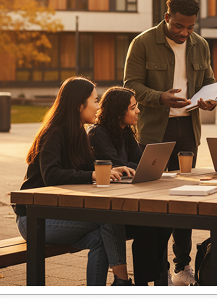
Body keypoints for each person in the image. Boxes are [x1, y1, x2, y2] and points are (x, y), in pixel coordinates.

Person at [124, 0, 216, 286]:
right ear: (167, 18)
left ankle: (182, 266)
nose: (184, 32)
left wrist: (210, 99)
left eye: (189, 27)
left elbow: (209, 82)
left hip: (188, 130)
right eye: (179, 26)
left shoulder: (200, 45)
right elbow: (131, 86)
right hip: (154, 131)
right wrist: (160, 98)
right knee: (155, 200)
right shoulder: (142, 43)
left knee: (186, 198)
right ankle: (157, 266)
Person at [13, 76, 133, 286]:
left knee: (101, 238)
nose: (98, 107)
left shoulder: (78, 133)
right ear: (79, 105)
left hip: (55, 212)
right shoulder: (53, 133)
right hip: (34, 220)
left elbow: (88, 165)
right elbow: (52, 175)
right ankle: (122, 282)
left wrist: (110, 169)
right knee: (109, 218)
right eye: (95, 101)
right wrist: (92, 175)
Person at [88, 86, 173, 286]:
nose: (138, 111)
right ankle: (144, 282)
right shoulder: (97, 134)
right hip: (109, 211)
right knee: (149, 224)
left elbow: (139, 162)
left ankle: (155, 276)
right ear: (119, 111)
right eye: (133, 107)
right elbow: (119, 165)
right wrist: (134, 167)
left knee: (167, 219)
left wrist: (141, 167)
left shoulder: (125, 132)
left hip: (125, 201)